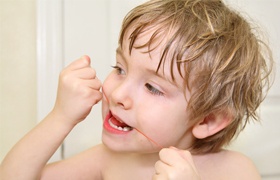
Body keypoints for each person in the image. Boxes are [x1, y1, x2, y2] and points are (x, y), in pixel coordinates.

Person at [0, 0, 274, 179]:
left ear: (207, 120)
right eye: (120, 68)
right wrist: (60, 117)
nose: (117, 95)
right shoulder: (109, 160)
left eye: (153, 87)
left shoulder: (235, 171)